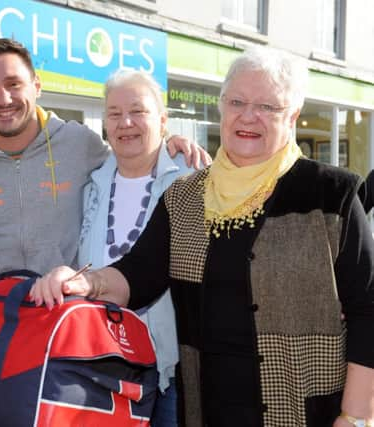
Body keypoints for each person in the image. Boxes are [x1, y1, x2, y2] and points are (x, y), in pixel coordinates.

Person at [31, 47, 374, 427]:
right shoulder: (184, 197)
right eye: (237, 102)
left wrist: (355, 416)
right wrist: (83, 281)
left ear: (292, 115)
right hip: (209, 408)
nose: (247, 116)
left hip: (309, 411)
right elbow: (136, 274)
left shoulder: (332, 194)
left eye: (267, 106)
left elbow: (367, 310)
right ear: (222, 108)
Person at [0, 37, 209, 275]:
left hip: (70, 309)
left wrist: (167, 141)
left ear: (37, 86)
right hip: (3, 311)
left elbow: (132, 152)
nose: (4, 98)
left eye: (13, 84)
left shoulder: (79, 142)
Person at [78, 69, 195, 426]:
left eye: (138, 111)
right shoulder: (91, 182)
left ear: (162, 121)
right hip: (102, 360)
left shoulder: (190, 181)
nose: (125, 122)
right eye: (114, 113)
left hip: (168, 370)